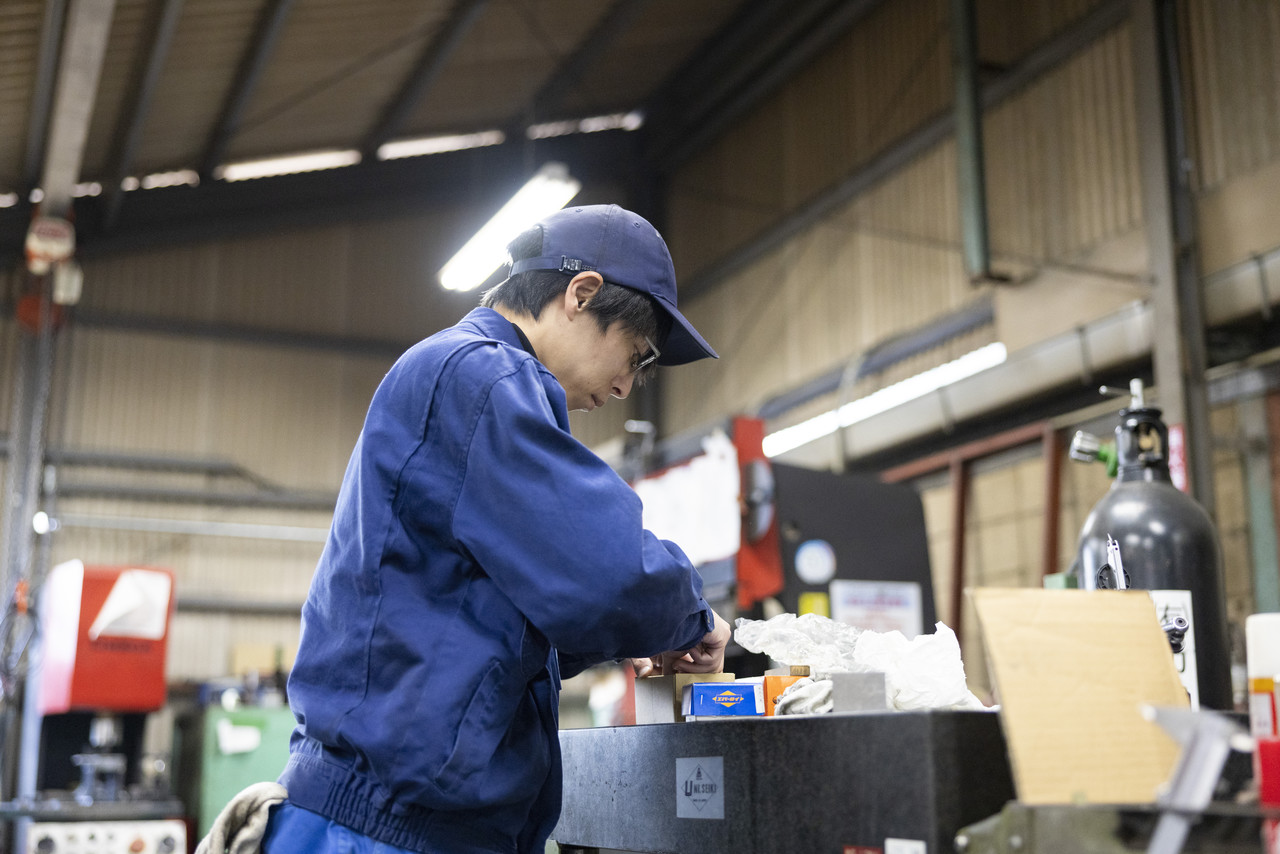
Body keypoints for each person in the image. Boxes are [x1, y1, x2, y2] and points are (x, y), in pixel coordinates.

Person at [261, 204, 732, 854]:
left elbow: (482, 624)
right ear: (581, 294)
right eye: (634, 354)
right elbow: (606, 568)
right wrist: (695, 616)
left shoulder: (468, 380)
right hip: (381, 831)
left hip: (397, 823)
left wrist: (633, 639)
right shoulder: (480, 374)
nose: (627, 386)